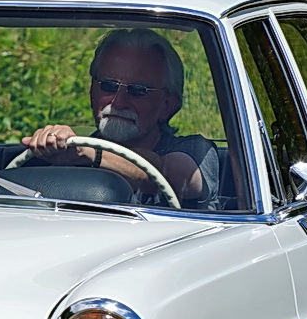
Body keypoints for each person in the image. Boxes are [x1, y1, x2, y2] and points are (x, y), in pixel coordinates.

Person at [22, 29, 219, 205]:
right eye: (108, 86)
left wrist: (90, 154)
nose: (118, 102)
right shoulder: (71, 154)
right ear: (92, 91)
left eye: (138, 91)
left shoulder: (195, 151)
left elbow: (178, 179)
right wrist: (49, 145)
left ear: (167, 105)